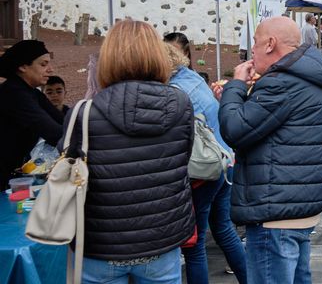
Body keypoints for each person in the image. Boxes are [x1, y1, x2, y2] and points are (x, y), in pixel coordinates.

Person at [68, 20, 195, 283]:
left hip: (100, 243)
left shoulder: (84, 112)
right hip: (160, 239)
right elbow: (184, 157)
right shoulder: (181, 104)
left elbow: (70, 172)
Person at [216, 16, 322, 284]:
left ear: (270, 44)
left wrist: (236, 86)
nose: (252, 49)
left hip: (274, 214)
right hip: (298, 208)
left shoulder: (280, 84)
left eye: (256, 43)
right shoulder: (313, 77)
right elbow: (268, 127)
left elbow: (234, 130)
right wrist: (239, 96)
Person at [168, 44, 246, 284]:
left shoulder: (174, 89)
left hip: (205, 169)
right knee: (223, 229)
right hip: (224, 162)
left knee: (195, 243)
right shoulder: (191, 76)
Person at [0, 40, 63, 189]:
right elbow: (54, 132)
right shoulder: (14, 93)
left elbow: (63, 120)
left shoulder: (32, 93)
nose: (50, 70)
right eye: (43, 64)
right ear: (23, 66)